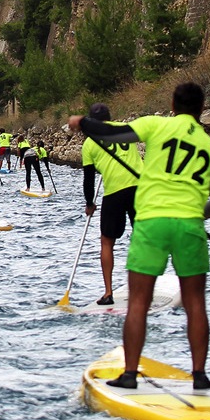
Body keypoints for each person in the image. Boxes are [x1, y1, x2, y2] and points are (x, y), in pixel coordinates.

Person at [69, 82, 210, 390]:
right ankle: (200, 375)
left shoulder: (156, 125)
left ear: (172, 104)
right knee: (195, 302)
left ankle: (129, 374)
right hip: (189, 226)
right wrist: (196, 215)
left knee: (139, 301)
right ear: (200, 109)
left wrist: (81, 123)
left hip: (152, 222)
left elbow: (111, 135)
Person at [79, 103, 143, 306]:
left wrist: (89, 204)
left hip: (114, 192)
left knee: (107, 242)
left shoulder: (89, 144)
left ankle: (108, 293)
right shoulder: (124, 128)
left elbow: (88, 180)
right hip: (139, 188)